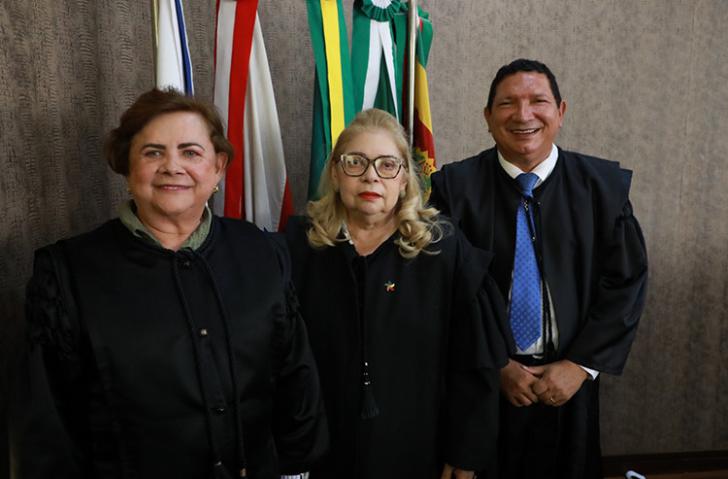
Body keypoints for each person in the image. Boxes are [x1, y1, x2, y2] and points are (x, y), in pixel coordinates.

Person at [10, 88, 327, 479]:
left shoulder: (263, 253)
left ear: (218, 167)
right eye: (153, 152)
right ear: (127, 167)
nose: (172, 166)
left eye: (191, 152)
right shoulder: (68, 273)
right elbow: (48, 424)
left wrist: (295, 470)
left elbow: (296, 376)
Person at [429, 59, 648, 479]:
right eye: (507, 103)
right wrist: (495, 364)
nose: (524, 114)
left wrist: (581, 366)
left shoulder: (602, 188)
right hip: (480, 382)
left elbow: (626, 284)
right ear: (488, 117)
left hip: (570, 383)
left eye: (538, 101)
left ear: (561, 111)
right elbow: (442, 292)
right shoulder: (453, 190)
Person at [284, 109, 507, 479]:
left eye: (387, 164)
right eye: (355, 162)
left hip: (417, 446)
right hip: (322, 448)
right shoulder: (298, 246)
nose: (371, 175)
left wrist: (467, 451)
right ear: (336, 173)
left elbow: (475, 366)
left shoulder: (444, 250)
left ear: (404, 178)